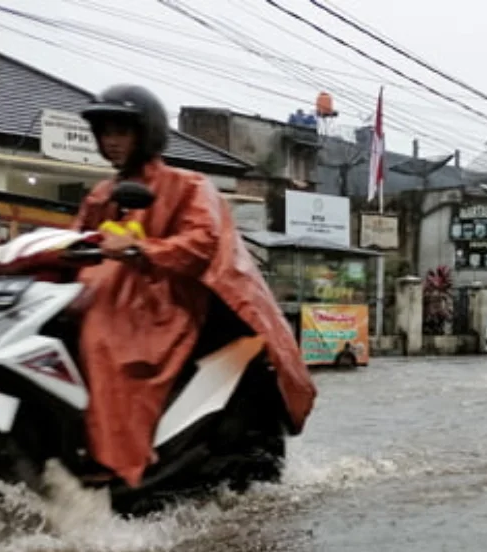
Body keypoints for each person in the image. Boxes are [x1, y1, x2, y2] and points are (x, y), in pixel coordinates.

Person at [73, 84, 316, 487]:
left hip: (173, 305)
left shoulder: (188, 185)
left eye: (122, 131)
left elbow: (201, 241)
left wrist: (141, 249)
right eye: (105, 132)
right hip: (117, 300)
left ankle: (119, 463)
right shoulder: (102, 194)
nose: (112, 141)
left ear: (145, 133)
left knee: (103, 341)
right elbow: (76, 239)